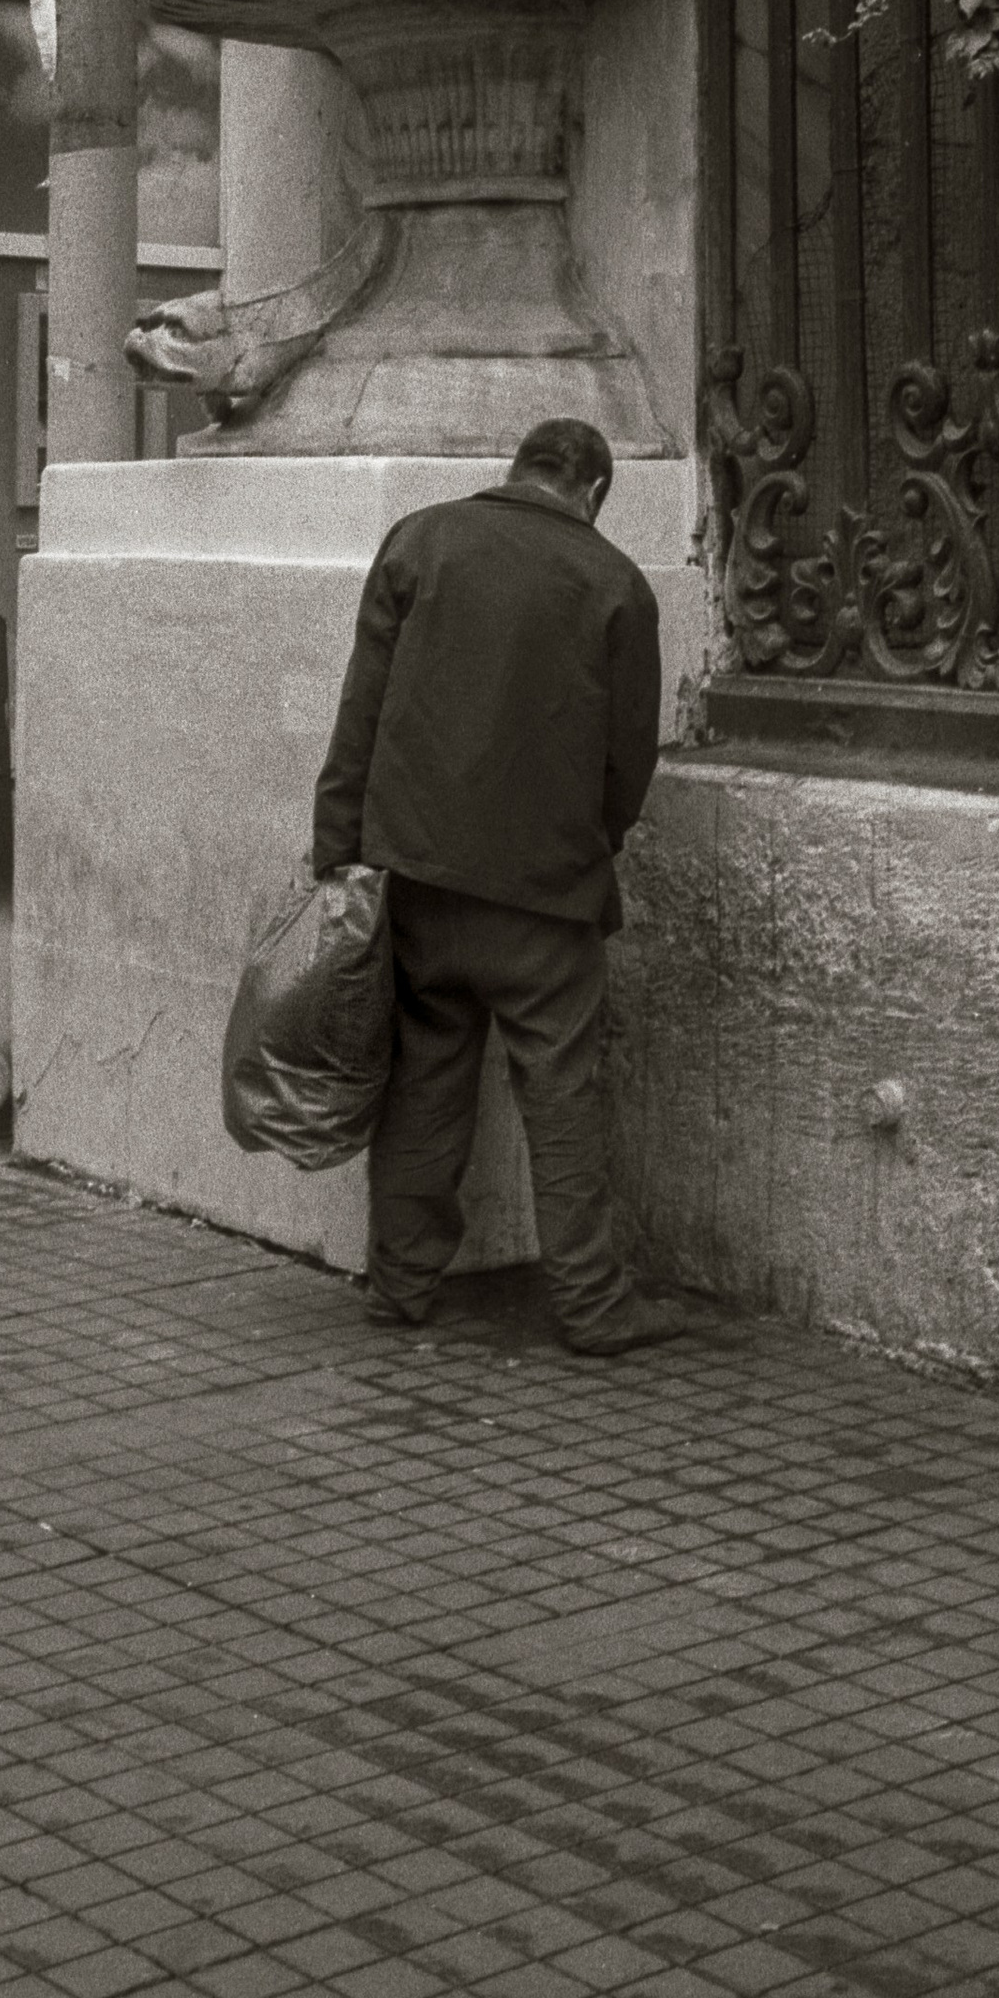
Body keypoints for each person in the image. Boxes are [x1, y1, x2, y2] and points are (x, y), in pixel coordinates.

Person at [310, 415, 696, 1357]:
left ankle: (399, 1285)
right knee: (562, 1097)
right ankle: (595, 1307)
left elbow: (360, 710)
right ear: (595, 490)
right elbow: (625, 766)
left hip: (421, 879)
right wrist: (586, 847)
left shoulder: (422, 540)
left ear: (515, 468)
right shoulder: (616, 584)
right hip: (542, 897)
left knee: (425, 1087)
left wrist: (338, 851)